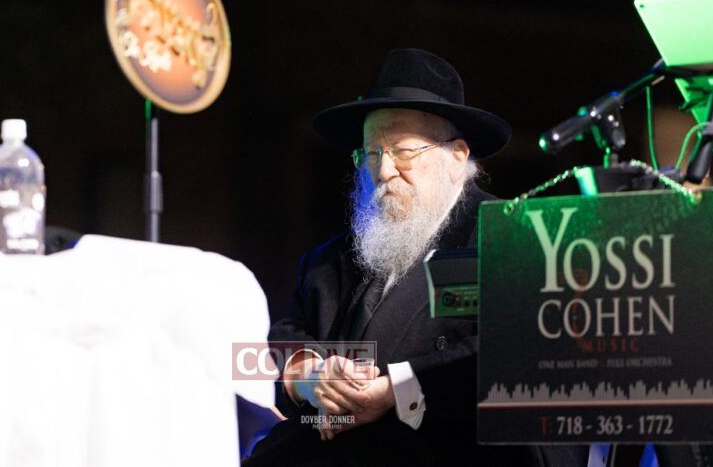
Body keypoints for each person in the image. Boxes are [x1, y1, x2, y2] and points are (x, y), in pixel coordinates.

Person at [244, 49, 588, 466]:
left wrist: (396, 389)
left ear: (457, 156)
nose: (383, 170)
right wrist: (310, 376)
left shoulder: (516, 237)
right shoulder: (326, 262)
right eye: (370, 153)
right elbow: (280, 339)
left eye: (403, 151)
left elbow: (526, 351)